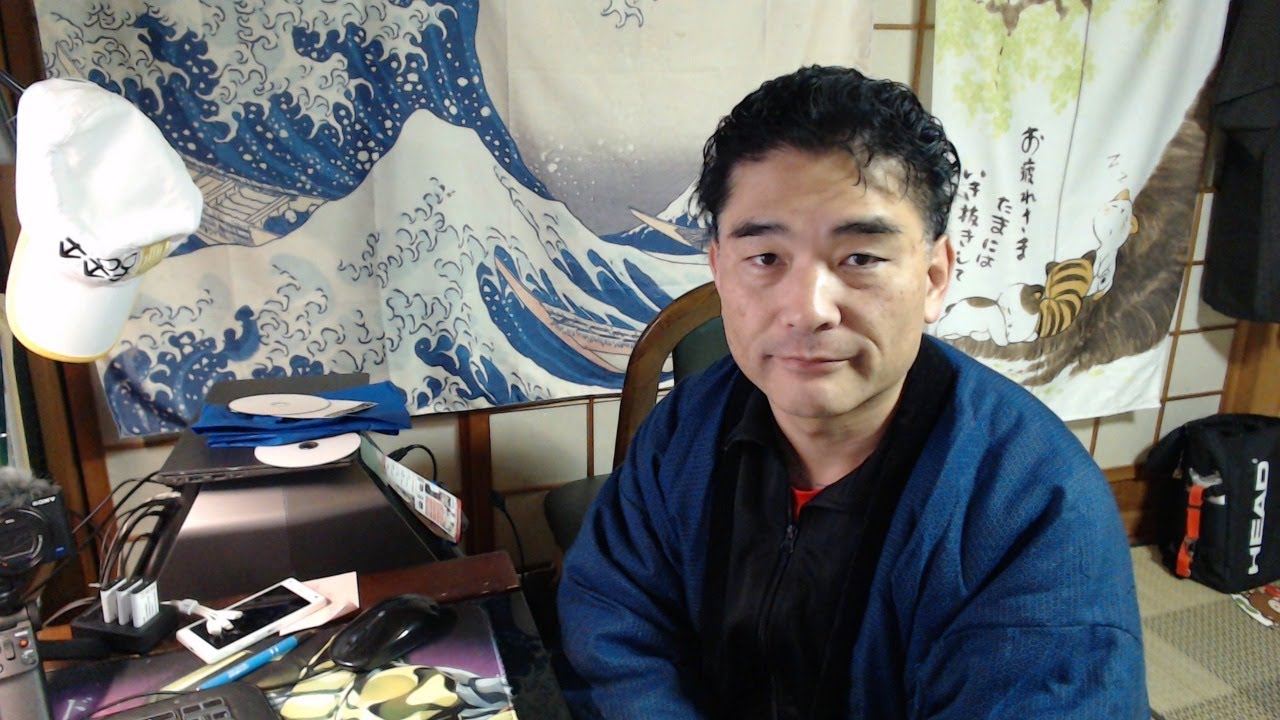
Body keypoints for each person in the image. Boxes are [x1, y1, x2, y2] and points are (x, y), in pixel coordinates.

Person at [557, 65, 1147, 719]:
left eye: (860, 258)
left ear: (934, 277)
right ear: (719, 268)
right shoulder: (688, 428)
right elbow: (612, 622)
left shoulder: (1032, 507)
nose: (808, 310)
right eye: (765, 258)